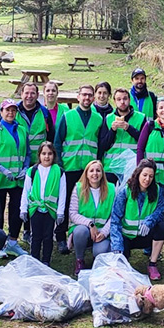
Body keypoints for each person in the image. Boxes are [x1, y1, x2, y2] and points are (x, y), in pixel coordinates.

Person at [54, 85, 107, 254]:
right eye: (84, 95)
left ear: (93, 98)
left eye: (90, 95)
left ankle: (86, 234)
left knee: (86, 202)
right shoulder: (67, 117)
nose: (87, 98)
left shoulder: (98, 119)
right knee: (65, 202)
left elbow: (100, 145)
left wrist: (98, 165)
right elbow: (57, 141)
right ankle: (61, 237)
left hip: (90, 170)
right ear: (78, 97)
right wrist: (60, 165)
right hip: (70, 167)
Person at [137, 97, 164, 278]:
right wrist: (139, 171)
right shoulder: (149, 126)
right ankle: (147, 243)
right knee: (149, 207)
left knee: (162, 212)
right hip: (150, 175)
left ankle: (157, 245)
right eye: (161, 108)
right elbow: (140, 148)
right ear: (157, 111)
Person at [0, 98, 30, 259]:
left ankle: (12, 241)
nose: (10, 113)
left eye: (13, 110)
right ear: (1, 112)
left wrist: (25, 167)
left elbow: (28, 153)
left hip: (18, 179)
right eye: (7, 110)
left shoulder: (22, 130)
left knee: (17, 210)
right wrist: (2, 169)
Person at [110, 160, 164, 281]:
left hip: (145, 234)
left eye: (151, 176)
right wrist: (117, 245)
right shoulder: (125, 191)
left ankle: (152, 264)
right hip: (127, 237)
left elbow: (160, 209)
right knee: (121, 270)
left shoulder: (157, 190)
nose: (147, 179)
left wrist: (150, 220)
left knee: (162, 227)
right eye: (145, 175)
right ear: (138, 174)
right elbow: (115, 219)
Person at [20, 142, 66, 266]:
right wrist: (23, 209)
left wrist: (60, 212)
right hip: (35, 209)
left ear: (54, 155)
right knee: (35, 236)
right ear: (39, 155)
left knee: (48, 236)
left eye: (50, 154)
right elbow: (26, 191)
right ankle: (34, 260)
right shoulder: (32, 171)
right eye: (44, 153)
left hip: (50, 210)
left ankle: (46, 260)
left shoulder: (59, 172)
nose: (47, 157)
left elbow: (62, 194)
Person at [68, 160, 115, 275]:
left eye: (98, 170)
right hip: (84, 229)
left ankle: (97, 261)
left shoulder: (111, 189)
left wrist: (104, 232)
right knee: (79, 231)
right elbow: (73, 214)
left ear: (102, 174)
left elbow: (114, 216)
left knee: (100, 251)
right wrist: (90, 224)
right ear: (87, 174)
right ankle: (80, 260)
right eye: (91, 171)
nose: (95, 173)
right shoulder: (78, 188)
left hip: (101, 232)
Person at [100, 87, 145, 183]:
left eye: (125, 99)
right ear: (114, 101)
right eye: (119, 99)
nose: (122, 102)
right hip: (111, 167)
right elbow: (103, 145)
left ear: (129, 100)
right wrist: (112, 130)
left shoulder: (141, 117)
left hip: (131, 167)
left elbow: (144, 142)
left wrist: (129, 128)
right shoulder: (108, 118)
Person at [15, 82, 55, 165]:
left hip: (39, 161)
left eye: (32, 93)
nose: (29, 96)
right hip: (18, 160)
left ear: (37, 95)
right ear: (21, 94)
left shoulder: (45, 113)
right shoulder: (13, 111)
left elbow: (51, 137)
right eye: (26, 93)